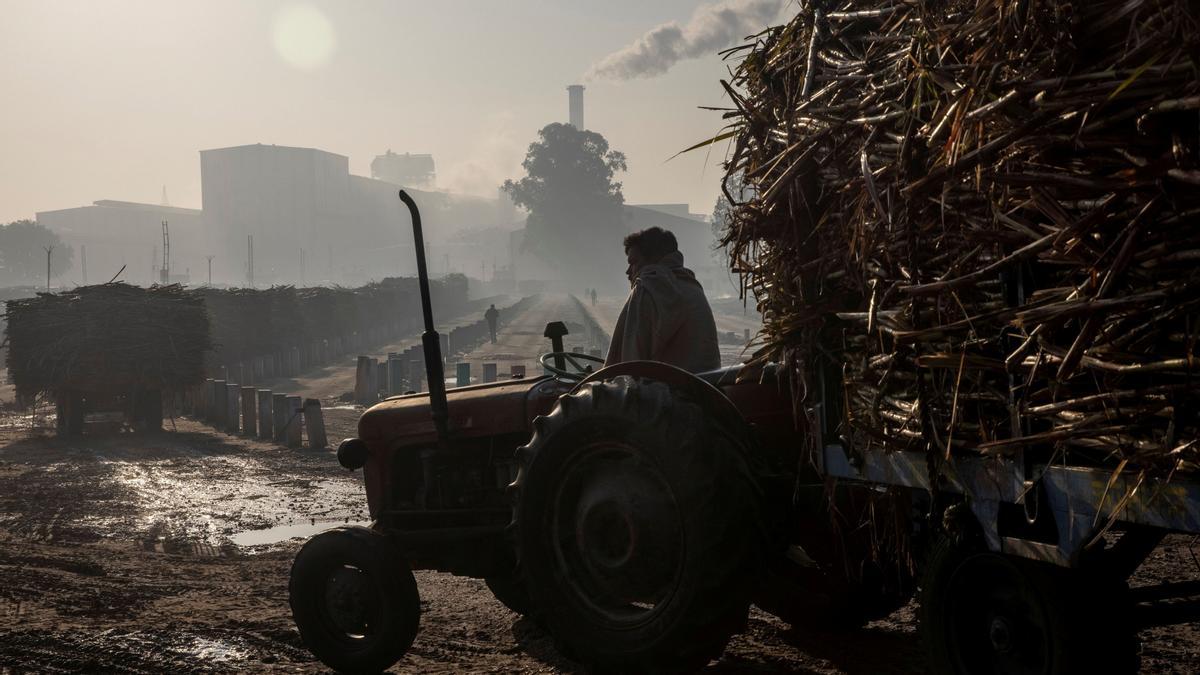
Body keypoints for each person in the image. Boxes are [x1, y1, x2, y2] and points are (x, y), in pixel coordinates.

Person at [605, 227, 720, 373]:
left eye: (633, 262)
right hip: (706, 387)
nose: (628, 271)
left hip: (667, 391)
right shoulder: (693, 287)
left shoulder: (647, 288)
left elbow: (630, 365)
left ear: (653, 260)